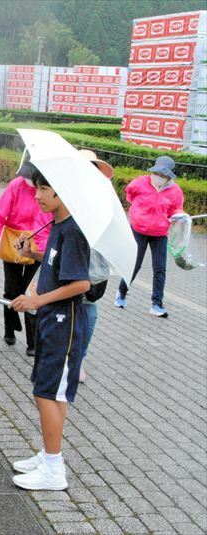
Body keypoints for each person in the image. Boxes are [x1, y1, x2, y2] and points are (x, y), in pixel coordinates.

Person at [10, 164, 91, 491]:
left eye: (44, 189)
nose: (37, 195)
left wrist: (36, 302)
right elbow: (59, 264)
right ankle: (48, 455)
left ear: (62, 191)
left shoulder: (72, 230)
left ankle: (54, 470)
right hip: (52, 321)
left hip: (64, 323)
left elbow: (81, 283)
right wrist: (33, 252)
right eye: (37, 188)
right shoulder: (58, 225)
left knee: (47, 392)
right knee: (47, 391)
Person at [0, 163, 53, 356]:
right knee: (11, 290)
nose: (33, 186)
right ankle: (9, 328)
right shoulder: (16, 186)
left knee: (31, 293)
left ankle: (33, 342)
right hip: (13, 243)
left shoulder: (51, 192)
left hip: (38, 245)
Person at [115, 156, 185, 318]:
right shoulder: (140, 182)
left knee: (160, 269)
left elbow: (176, 208)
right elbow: (129, 195)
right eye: (157, 173)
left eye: (163, 175)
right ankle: (121, 292)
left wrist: (179, 216)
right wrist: (138, 213)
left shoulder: (175, 191)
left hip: (160, 233)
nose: (159, 177)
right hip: (139, 229)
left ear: (169, 176)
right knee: (135, 264)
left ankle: (156, 304)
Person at [77, 150, 115, 383]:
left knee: (89, 310)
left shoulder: (102, 198)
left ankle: (78, 358)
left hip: (93, 263)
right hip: (69, 257)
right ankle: (63, 359)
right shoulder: (63, 195)